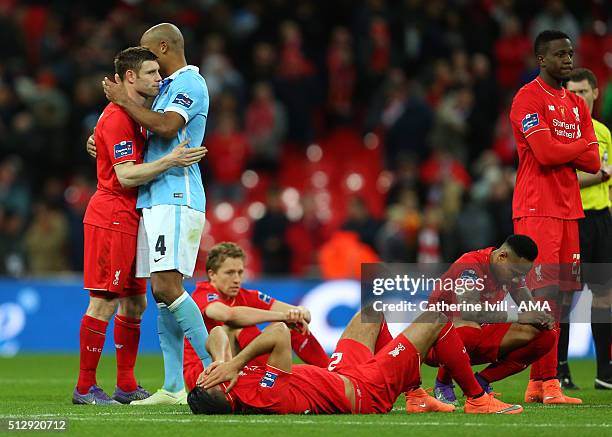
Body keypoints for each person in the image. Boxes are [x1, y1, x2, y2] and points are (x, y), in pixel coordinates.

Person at [74, 47, 207, 405]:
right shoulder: (118, 117)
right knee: (104, 300)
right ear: (129, 77)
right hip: (113, 215)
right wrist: (171, 160)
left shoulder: (137, 115)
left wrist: (97, 141)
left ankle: (126, 385)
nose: (158, 78)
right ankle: (85, 387)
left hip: (135, 216)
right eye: (150, 73)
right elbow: (127, 174)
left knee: (135, 303)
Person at [187, 307, 524, 415]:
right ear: (224, 393)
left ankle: (416, 395)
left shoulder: (230, 380)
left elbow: (218, 331)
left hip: (340, 374)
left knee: (371, 311)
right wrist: (232, 364)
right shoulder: (261, 394)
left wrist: (220, 360)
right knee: (436, 318)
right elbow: (278, 333)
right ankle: (478, 400)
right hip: (365, 391)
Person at [509, 29, 600, 404]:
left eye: (571, 53)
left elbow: (594, 162)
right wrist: (578, 144)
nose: (568, 59)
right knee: (544, 295)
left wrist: (567, 147)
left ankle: (539, 383)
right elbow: (545, 154)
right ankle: (547, 381)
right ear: (541, 59)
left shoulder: (576, 104)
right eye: (560, 54)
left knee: (562, 297)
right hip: (537, 209)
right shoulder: (527, 99)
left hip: (568, 210)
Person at [428, 235, 557, 405]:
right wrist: (519, 316)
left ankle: (482, 381)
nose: (516, 279)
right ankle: (443, 383)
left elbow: (530, 309)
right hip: (438, 343)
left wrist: (541, 317)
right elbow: (468, 312)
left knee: (546, 336)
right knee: (470, 328)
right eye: (515, 273)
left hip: (476, 337)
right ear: (502, 256)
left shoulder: (510, 272)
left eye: (521, 275)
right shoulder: (470, 266)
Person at [183, 242, 329, 391]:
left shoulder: (246, 295)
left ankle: (331, 373)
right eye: (229, 273)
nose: (236, 279)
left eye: (240, 272)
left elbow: (305, 315)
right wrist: (283, 316)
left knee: (294, 327)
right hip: (203, 372)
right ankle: (283, 379)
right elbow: (228, 315)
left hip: (234, 367)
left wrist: (299, 312)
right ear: (212, 274)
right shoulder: (202, 294)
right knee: (236, 327)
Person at [560, 68, 612, 390]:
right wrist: (600, 175)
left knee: (605, 295)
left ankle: (604, 372)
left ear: (595, 94)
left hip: (602, 220)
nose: (578, 98)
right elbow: (565, 181)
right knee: (566, 294)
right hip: (574, 220)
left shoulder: (604, 133)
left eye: (583, 92)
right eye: (572, 92)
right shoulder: (564, 133)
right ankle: (560, 368)